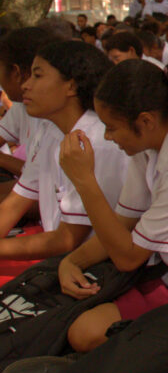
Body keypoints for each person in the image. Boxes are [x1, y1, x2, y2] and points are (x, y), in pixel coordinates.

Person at [58, 60, 168, 352]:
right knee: (73, 321)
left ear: (145, 121)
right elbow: (122, 223)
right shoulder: (149, 145)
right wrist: (71, 262)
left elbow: (128, 257)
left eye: (111, 128)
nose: (107, 136)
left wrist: (85, 182)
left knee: (86, 332)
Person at [0, 42, 129, 260]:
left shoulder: (99, 140)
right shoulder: (49, 129)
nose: (26, 85)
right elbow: (16, 201)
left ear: (71, 86)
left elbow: (67, 239)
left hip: (95, 267)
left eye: (37, 76)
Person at [0, 27, 64, 177]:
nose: (27, 85)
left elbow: (38, 180)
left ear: (16, 72)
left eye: (38, 75)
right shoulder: (22, 106)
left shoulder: (59, 123)